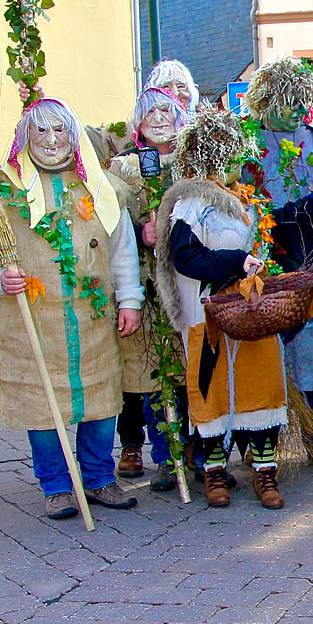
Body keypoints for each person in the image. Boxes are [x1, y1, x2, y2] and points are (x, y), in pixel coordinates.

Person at [0, 97, 142, 519]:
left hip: (92, 316)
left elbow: (122, 249)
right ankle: (57, 485)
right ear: (26, 136)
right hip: (30, 318)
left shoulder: (100, 187)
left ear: (73, 134)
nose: (50, 139)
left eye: (59, 130)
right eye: (40, 130)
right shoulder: (1, 190)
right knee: (39, 400)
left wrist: (130, 300)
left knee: (100, 396)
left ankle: (99, 478)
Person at [153, 108, 309, 509]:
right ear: (211, 157)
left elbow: (265, 246)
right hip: (208, 316)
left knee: (262, 383)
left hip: (253, 311)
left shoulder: (247, 198)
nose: (238, 163)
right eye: (230, 155)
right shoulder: (191, 202)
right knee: (212, 391)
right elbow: (185, 257)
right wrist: (233, 262)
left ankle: (264, 471)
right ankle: (215, 471)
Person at [243, 57, 313, 471]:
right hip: (270, 263)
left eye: (299, 101)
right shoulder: (248, 144)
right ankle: (256, 444)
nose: (292, 110)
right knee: (267, 359)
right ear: (266, 99)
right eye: (284, 100)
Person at [108, 87, 189, 491]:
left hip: (186, 281)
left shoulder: (193, 161)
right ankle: (164, 456)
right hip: (146, 282)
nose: (159, 117)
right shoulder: (123, 168)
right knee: (153, 372)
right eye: (150, 111)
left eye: (167, 110)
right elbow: (111, 223)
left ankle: (192, 453)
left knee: (186, 371)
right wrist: (142, 232)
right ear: (137, 122)